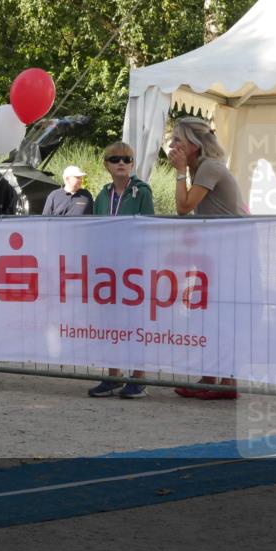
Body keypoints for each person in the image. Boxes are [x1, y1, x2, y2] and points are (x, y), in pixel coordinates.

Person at [168, 116, 246, 400]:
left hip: (231, 252)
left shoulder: (209, 167)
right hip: (220, 252)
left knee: (221, 314)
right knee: (212, 314)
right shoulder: (203, 167)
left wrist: (178, 171)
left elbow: (183, 206)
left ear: (193, 144)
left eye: (178, 139)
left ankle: (224, 380)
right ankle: (214, 377)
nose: (172, 144)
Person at [86, 142, 155, 399]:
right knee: (110, 323)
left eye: (127, 159)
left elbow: (148, 228)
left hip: (133, 269)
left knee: (135, 323)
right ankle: (112, 375)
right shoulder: (102, 195)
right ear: (106, 165)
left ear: (133, 164)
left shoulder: (142, 192)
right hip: (108, 268)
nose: (121, 163)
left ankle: (139, 377)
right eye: (115, 159)